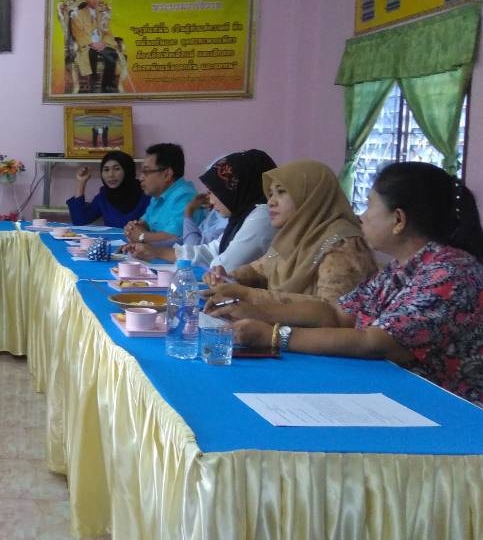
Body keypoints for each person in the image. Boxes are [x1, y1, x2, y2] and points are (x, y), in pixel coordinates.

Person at [205, 162, 483, 404]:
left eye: (370, 205)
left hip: (446, 410)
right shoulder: (401, 268)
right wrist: (255, 310)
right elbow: (337, 313)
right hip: (394, 391)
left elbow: (376, 342)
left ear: (398, 220)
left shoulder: (449, 272)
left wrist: (274, 336)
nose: (362, 215)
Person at [206, 159, 378, 305]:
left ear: (311, 196)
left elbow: (332, 310)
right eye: (271, 194)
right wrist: (227, 278)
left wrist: (249, 295)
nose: (271, 202)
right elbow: (258, 270)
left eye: (281, 192)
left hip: (307, 335)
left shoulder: (342, 245)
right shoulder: (293, 235)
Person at [130, 149, 277, 271]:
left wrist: (148, 242)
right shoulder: (240, 217)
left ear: (234, 190)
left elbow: (223, 266)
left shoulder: (262, 215)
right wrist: (155, 252)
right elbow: (210, 251)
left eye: (215, 192)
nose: (211, 201)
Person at [122, 143, 197, 248]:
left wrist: (141, 236)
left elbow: (174, 239)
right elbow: (145, 223)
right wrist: (134, 228)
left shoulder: (185, 197)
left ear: (167, 174)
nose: (140, 178)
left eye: (146, 171)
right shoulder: (158, 195)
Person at [66, 151, 149, 227]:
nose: (110, 175)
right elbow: (79, 220)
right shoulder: (104, 196)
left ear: (128, 170)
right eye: (106, 170)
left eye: (117, 169)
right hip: (112, 239)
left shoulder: (147, 193)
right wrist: (81, 182)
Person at [66, 0, 119, 93]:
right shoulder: (77, 14)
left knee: (112, 54)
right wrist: (92, 43)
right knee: (92, 55)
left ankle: (107, 86)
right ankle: (94, 84)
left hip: (102, 43)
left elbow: (107, 32)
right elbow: (77, 33)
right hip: (87, 45)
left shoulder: (102, 14)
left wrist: (103, 42)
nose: (95, 0)